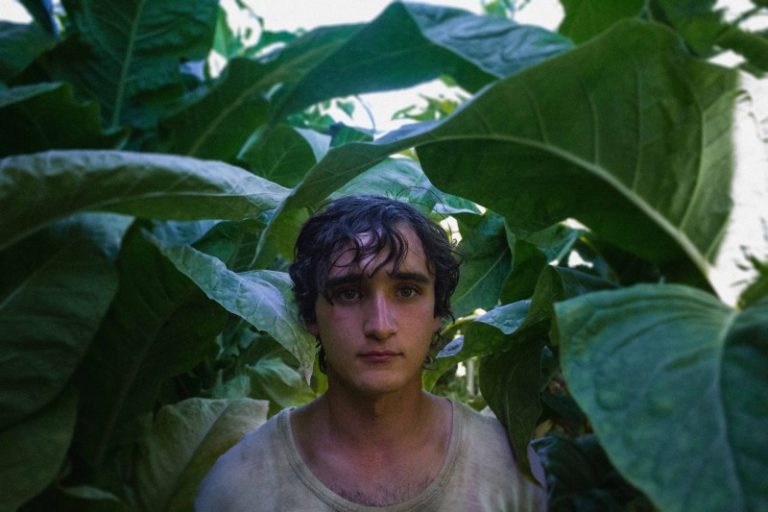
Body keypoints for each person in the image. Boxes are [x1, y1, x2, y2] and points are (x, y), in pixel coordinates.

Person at [195, 195, 547, 511]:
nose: (380, 326)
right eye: (349, 293)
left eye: (406, 291)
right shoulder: (237, 487)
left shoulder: (510, 470)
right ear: (310, 315)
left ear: (437, 312)